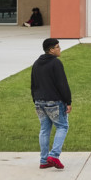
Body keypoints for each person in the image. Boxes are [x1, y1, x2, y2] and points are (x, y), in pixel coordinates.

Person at [31, 37, 71, 169]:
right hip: (54, 102)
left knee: (44, 129)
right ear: (51, 50)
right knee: (62, 126)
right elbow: (62, 84)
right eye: (58, 47)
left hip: (39, 102)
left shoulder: (37, 63)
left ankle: (44, 160)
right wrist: (68, 101)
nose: (60, 49)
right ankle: (54, 155)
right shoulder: (55, 63)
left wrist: (35, 100)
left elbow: (33, 84)